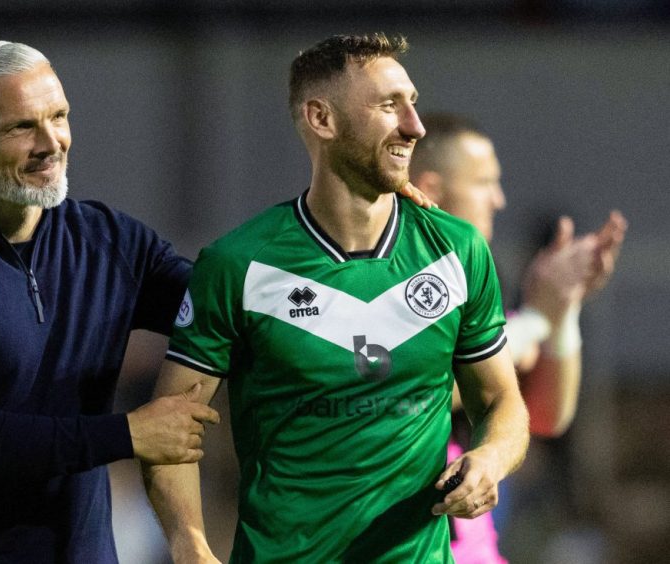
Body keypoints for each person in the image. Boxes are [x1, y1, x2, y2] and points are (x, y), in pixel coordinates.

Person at [141, 33, 530, 563]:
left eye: (412, 103)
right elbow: (169, 428)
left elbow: (501, 401)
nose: (414, 126)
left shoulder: (458, 250)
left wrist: (491, 457)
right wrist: (190, 545)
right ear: (321, 119)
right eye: (389, 106)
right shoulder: (240, 264)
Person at [0, 40, 225, 563]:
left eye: (59, 116)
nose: (51, 141)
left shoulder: (112, 242)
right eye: (21, 127)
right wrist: (128, 433)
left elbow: (227, 309)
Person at [408, 113, 627, 563]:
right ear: (432, 190)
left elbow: (546, 414)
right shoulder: (386, 283)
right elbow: (426, 386)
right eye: (485, 182)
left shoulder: (473, 283)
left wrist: (560, 311)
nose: (499, 199)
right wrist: (534, 321)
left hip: (471, 549)